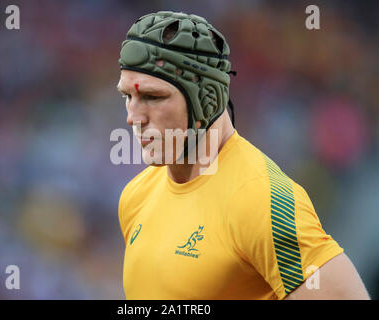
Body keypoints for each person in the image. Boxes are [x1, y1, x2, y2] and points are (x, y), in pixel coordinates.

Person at [116, 11, 370, 299]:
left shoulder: (261, 200)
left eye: (153, 97)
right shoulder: (136, 196)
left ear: (208, 98)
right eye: (128, 96)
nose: (133, 117)